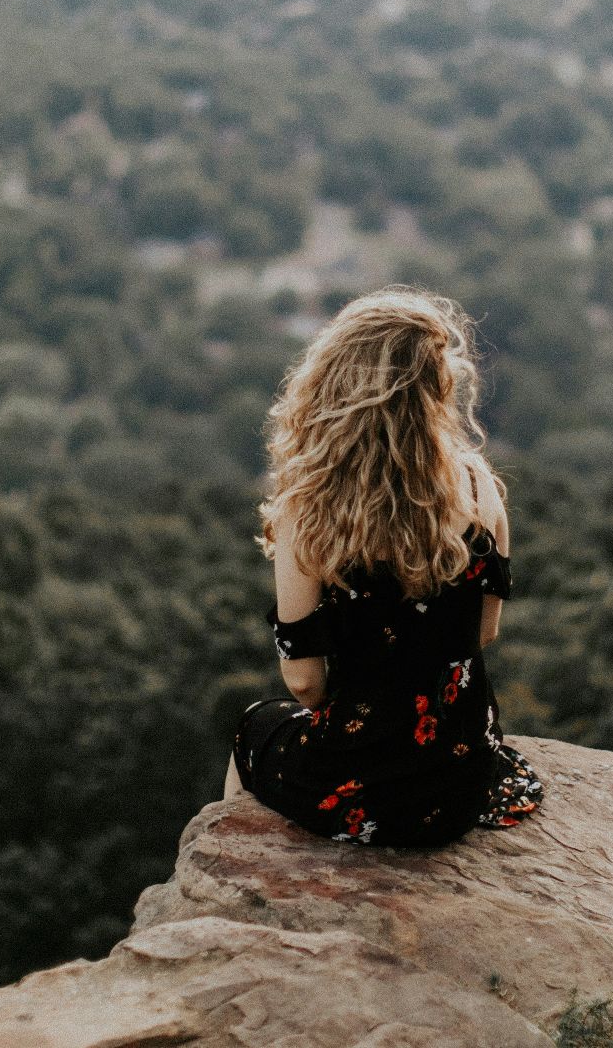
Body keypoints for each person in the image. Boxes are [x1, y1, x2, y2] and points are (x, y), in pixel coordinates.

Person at [224, 286, 545, 847]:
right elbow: (483, 633)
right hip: (459, 781)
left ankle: (234, 881)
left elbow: (303, 683)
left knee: (251, 729)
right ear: (437, 389)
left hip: (362, 782)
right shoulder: (478, 486)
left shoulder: (312, 507)